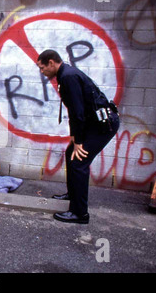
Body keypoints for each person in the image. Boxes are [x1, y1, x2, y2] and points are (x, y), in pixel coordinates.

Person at [37, 49, 120, 224]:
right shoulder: (65, 74)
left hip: (104, 125)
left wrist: (79, 141)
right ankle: (73, 195)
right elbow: (76, 111)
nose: (42, 72)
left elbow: (78, 112)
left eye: (42, 67)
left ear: (51, 63)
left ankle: (80, 213)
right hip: (94, 123)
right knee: (71, 155)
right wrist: (74, 137)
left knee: (79, 162)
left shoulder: (68, 76)